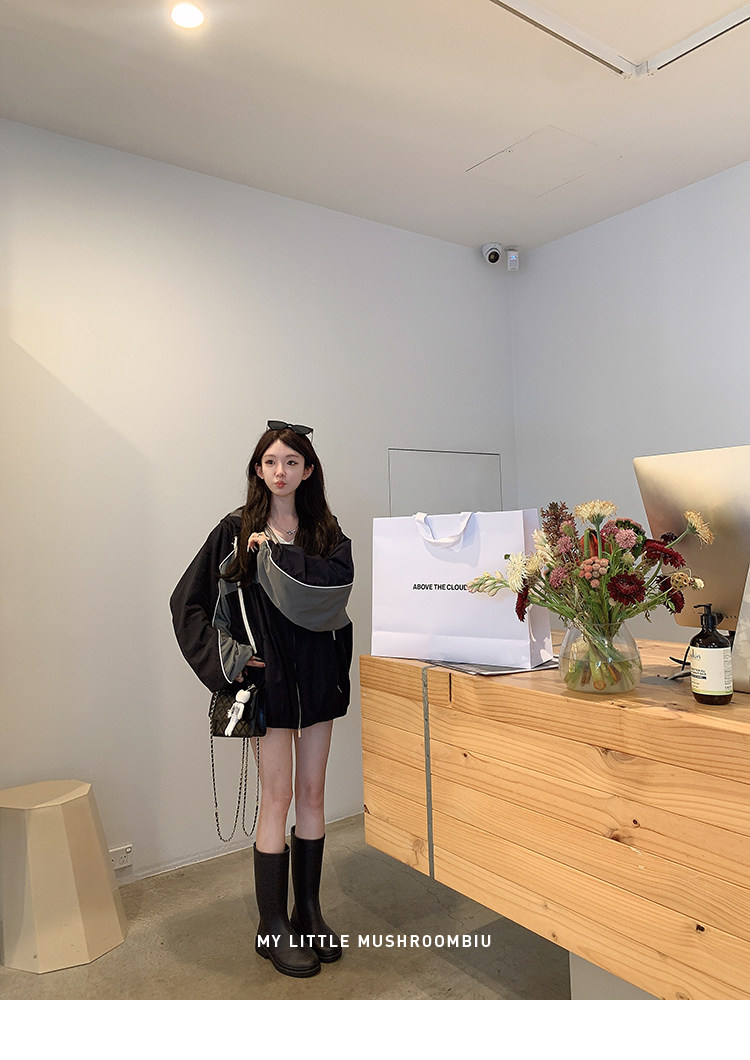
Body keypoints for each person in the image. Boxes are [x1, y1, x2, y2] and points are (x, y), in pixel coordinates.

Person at [170, 421, 354, 978]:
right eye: (271, 462)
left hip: (318, 679)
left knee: (313, 794)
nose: (280, 472)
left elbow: (337, 590)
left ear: (309, 470)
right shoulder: (235, 531)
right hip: (270, 684)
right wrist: (229, 658)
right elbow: (187, 603)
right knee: (276, 798)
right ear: (258, 468)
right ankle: (272, 925)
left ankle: (308, 913)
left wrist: (276, 555)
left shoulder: (325, 532)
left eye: (291, 462)